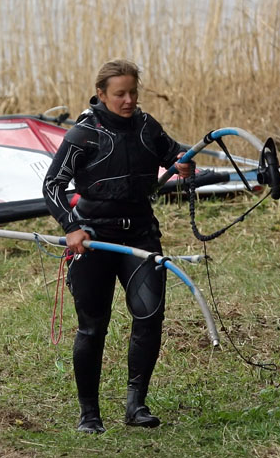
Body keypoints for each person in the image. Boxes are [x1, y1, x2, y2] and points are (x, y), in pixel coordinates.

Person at [42, 59, 193, 434]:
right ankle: (89, 415)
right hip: (94, 240)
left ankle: (136, 405)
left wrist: (182, 164)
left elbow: (175, 155)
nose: (128, 101)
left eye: (133, 93)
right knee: (93, 327)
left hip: (140, 235)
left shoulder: (147, 127)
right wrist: (72, 228)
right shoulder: (83, 134)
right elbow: (52, 185)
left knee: (149, 316)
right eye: (120, 94)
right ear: (101, 94)